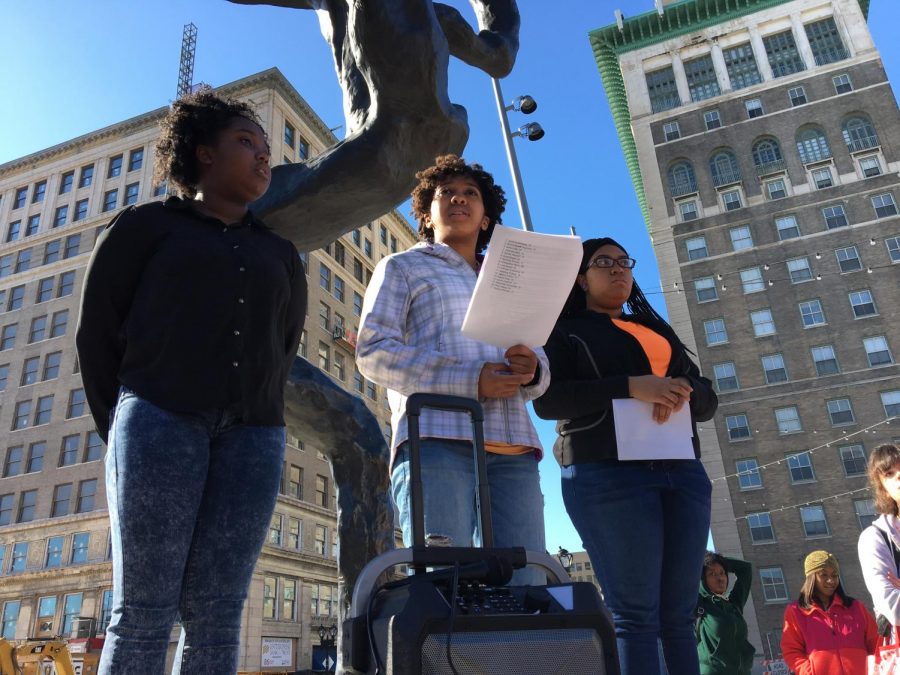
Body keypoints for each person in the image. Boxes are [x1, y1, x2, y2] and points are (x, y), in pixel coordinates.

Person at [76, 90, 307, 674]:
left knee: (219, 613)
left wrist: (258, 411)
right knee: (144, 612)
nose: (263, 158)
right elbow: (97, 334)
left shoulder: (281, 254)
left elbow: (282, 346)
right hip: (159, 419)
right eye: (246, 143)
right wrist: (129, 423)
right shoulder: (144, 227)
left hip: (254, 437)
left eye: (266, 148)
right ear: (203, 152)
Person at [355, 154, 548, 584]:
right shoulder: (402, 267)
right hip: (437, 441)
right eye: (447, 193)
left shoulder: (508, 280)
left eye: (471, 194)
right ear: (426, 213)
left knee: (527, 583)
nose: (460, 199)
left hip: (513, 445)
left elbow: (538, 358)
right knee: (445, 585)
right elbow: (373, 351)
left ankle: (522, 654)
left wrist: (533, 368)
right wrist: (470, 380)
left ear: (485, 218)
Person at [533, 237, 716, 675]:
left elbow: (708, 401)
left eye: (623, 262)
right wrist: (631, 386)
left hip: (683, 474)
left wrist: (684, 391)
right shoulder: (562, 331)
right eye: (603, 262)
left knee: (680, 614)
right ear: (580, 278)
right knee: (635, 615)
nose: (617, 269)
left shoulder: (657, 330)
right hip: (606, 476)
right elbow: (548, 401)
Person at [781, 550, 878, 675]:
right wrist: (810, 672)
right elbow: (791, 650)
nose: (831, 581)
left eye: (834, 575)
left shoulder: (856, 607)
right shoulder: (795, 611)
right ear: (811, 577)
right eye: (824, 575)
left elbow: (875, 643)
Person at [859, 443, 900, 633]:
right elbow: (893, 608)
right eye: (889, 473)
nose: (898, 475)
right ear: (883, 488)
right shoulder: (875, 539)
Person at [696, 552, 755, 675]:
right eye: (712, 574)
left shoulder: (734, 603)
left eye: (722, 573)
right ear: (702, 579)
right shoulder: (699, 603)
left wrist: (718, 560)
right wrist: (701, 563)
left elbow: (745, 569)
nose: (720, 578)